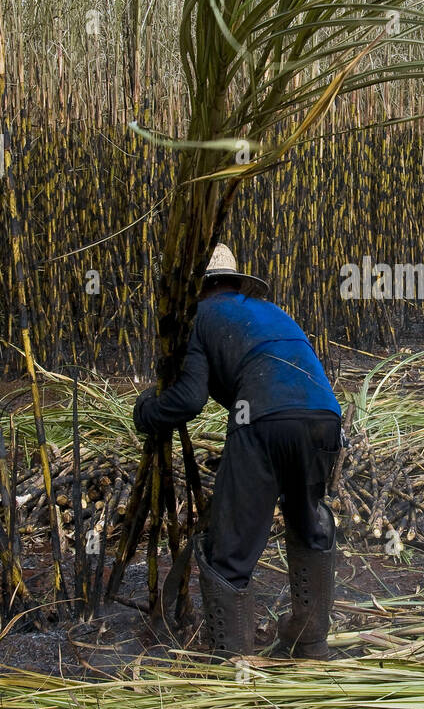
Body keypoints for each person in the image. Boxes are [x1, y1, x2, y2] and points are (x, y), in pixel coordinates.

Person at [133, 243, 342, 660]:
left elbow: (190, 400)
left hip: (262, 419)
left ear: (195, 287)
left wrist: (149, 411)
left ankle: (233, 661)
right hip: (324, 417)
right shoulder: (272, 312)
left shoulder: (201, 316)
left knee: (230, 546)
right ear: (234, 280)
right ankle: (310, 641)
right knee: (310, 524)